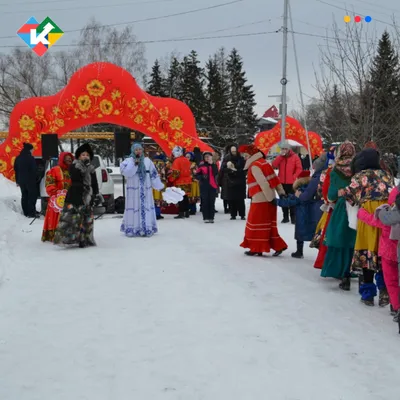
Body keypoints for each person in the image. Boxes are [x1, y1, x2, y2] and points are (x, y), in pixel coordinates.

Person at [343, 148, 393, 306]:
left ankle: (368, 294)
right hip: (385, 215)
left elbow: (348, 195)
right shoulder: (386, 174)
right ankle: (385, 291)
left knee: (367, 254)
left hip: (368, 215)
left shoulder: (360, 176)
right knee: (383, 253)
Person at [358, 185, 399, 319]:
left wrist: (361, 213)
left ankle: (396, 307)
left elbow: (371, 220)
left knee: (392, 282)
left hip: (388, 253)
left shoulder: (386, 216)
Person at [239, 144, 287, 257]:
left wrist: (270, 198)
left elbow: (263, 183)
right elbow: (274, 179)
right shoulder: (264, 163)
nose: (245, 158)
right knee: (268, 225)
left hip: (260, 199)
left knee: (256, 225)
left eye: (246, 155)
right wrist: (281, 193)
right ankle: (277, 245)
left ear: (250, 155)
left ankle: (257, 248)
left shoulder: (255, 166)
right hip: (268, 198)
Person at [320, 141, 356, 289]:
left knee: (339, 237)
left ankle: (341, 271)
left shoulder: (336, 170)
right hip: (358, 204)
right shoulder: (358, 167)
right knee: (353, 239)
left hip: (342, 207)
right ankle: (352, 269)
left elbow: (331, 194)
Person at [277, 154, 326, 259]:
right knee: (315, 233)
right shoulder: (312, 186)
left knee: (300, 234)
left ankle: (299, 251)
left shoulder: (299, 192)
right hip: (312, 214)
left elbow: (292, 201)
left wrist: (276, 201)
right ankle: (320, 251)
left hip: (301, 216)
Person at [54, 143, 99, 248]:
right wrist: (85, 172)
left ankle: (85, 239)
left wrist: (95, 194)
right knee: (73, 219)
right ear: (79, 156)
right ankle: (69, 239)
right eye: (83, 155)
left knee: (86, 219)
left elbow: (94, 183)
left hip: (87, 197)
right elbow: (75, 179)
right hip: (75, 196)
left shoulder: (91, 168)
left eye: (87, 155)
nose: (85, 157)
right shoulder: (74, 166)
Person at [120, 143, 164, 237]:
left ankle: (147, 227)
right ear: (133, 151)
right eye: (136, 150)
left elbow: (153, 174)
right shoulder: (128, 161)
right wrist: (134, 164)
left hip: (145, 189)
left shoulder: (148, 161)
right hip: (133, 190)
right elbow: (127, 173)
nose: (138, 151)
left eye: (140, 149)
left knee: (146, 207)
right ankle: (133, 228)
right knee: (134, 206)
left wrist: (159, 186)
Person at [41, 152, 73, 242]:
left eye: (70, 158)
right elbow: (49, 183)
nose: (69, 160)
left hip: (71, 199)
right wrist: (57, 193)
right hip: (57, 199)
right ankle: (54, 236)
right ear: (62, 159)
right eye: (66, 158)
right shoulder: (54, 170)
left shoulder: (74, 170)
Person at [272, 141, 302, 224]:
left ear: (289, 149)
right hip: (281, 182)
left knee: (292, 199)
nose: (284, 150)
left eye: (285, 149)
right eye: (282, 149)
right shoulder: (280, 158)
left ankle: (293, 217)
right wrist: (280, 157)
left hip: (292, 182)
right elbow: (274, 165)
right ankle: (285, 217)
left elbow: (299, 168)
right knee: (283, 199)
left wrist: (294, 176)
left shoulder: (295, 157)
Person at [218, 145, 247, 220]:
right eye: (232, 151)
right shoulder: (227, 158)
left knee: (240, 200)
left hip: (240, 181)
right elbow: (223, 169)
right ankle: (233, 214)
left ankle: (242, 214)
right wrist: (230, 170)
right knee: (231, 199)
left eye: (235, 151)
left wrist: (236, 171)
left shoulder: (241, 159)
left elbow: (244, 169)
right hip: (230, 181)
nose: (234, 152)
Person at [14, 142, 39, 218]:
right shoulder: (30, 158)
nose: (33, 151)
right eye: (32, 150)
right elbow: (34, 169)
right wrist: (37, 178)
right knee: (32, 196)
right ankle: (31, 213)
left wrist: (17, 180)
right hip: (30, 180)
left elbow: (16, 169)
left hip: (21, 181)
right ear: (29, 150)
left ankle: (26, 212)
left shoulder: (18, 158)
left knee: (24, 196)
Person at [169, 146, 192, 219]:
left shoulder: (177, 161)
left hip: (180, 182)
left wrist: (171, 179)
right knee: (186, 197)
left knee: (180, 197)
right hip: (188, 181)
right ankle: (187, 212)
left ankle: (181, 213)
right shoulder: (186, 159)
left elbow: (176, 173)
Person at [195, 151, 219, 223]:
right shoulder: (201, 165)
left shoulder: (214, 165)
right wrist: (202, 177)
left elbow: (216, 173)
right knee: (205, 201)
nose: (207, 158)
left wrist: (212, 165)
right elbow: (196, 175)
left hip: (212, 185)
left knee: (212, 202)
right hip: (204, 185)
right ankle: (205, 217)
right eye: (206, 156)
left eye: (209, 156)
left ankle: (211, 217)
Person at [152, 152, 167, 220]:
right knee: (159, 199)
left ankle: (153, 213)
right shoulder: (162, 164)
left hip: (153, 183)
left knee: (154, 198)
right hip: (160, 183)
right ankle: (157, 213)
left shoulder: (151, 163)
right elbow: (164, 174)